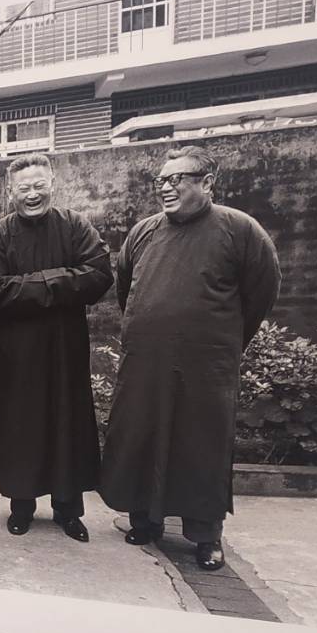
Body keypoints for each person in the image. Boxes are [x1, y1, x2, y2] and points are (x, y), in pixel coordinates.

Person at [99, 145, 280, 572]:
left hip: (207, 364)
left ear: (207, 183)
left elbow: (262, 291)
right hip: (146, 361)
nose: (166, 187)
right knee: (142, 436)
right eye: (162, 180)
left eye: (176, 179)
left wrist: (222, 339)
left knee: (202, 445)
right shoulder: (143, 231)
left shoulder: (240, 229)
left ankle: (205, 535)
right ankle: (145, 520)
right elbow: (126, 289)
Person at [0, 154, 113, 541]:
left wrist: (32, 285)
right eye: (24, 188)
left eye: (39, 185)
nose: (32, 194)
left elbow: (99, 275)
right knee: (21, 428)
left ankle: (68, 510)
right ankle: (21, 507)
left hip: (66, 350)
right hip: (16, 353)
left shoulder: (75, 226)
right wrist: (62, 284)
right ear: (10, 192)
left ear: (52, 184)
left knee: (67, 424)